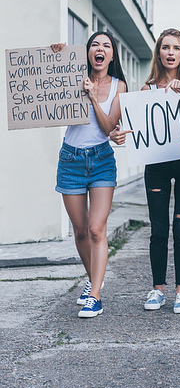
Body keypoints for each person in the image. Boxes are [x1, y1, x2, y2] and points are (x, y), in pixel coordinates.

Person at [113, 29, 180, 315]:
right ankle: (158, 288)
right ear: (159, 52)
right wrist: (122, 134)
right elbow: (136, 129)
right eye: (165, 47)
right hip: (157, 167)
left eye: (176, 48)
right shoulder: (146, 90)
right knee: (159, 229)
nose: (170, 53)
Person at [54, 32, 127, 318]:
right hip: (70, 160)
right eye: (95, 44)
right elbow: (50, 79)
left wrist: (94, 98)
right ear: (87, 53)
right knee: (81, 230)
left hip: (100, 160)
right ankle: (93, 278)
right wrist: (57, 55)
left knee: (97, 229)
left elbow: (110, 127)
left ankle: (95, 295)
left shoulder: (119, 86)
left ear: (111, 56)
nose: (100, 49)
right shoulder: (73, 76)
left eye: (106, 46)